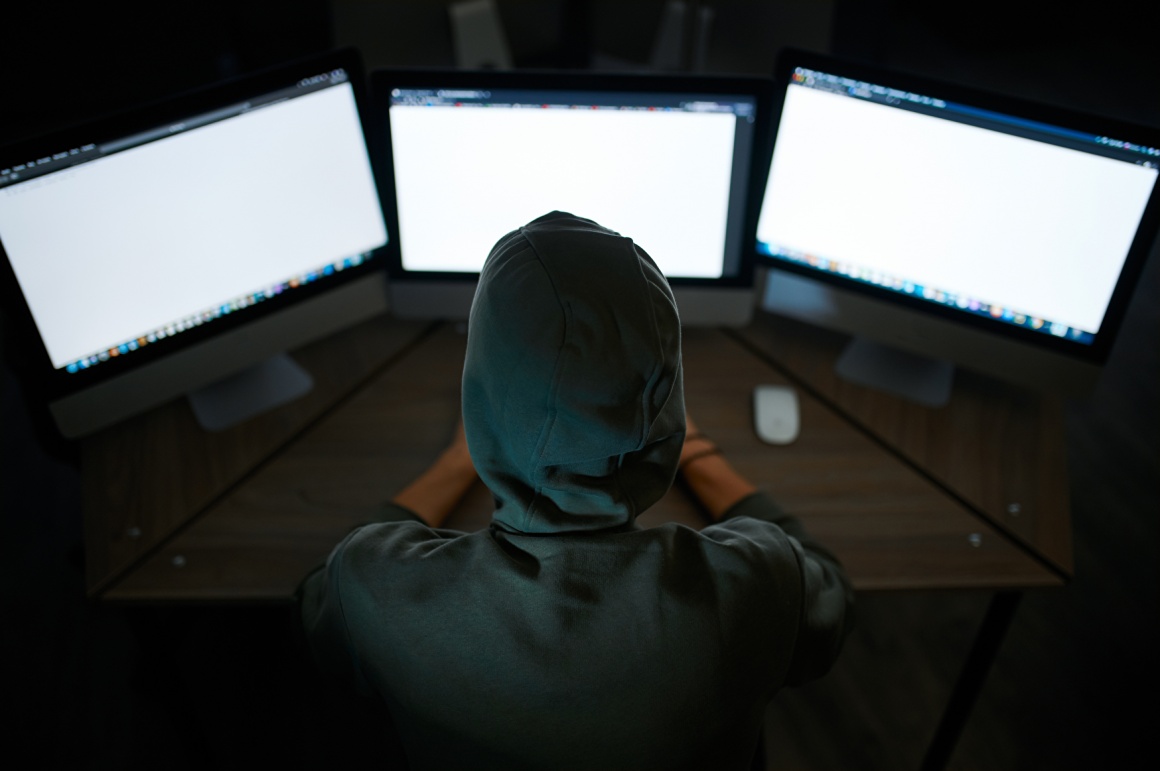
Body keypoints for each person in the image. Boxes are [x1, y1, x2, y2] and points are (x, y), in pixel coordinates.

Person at [299, 211, 853, 770]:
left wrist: (460, 457)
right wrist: (699, 457)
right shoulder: (758, 587)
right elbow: (829, 596)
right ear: (668, 415)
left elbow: (316, 608)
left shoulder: (375, 589)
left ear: (481, 400)